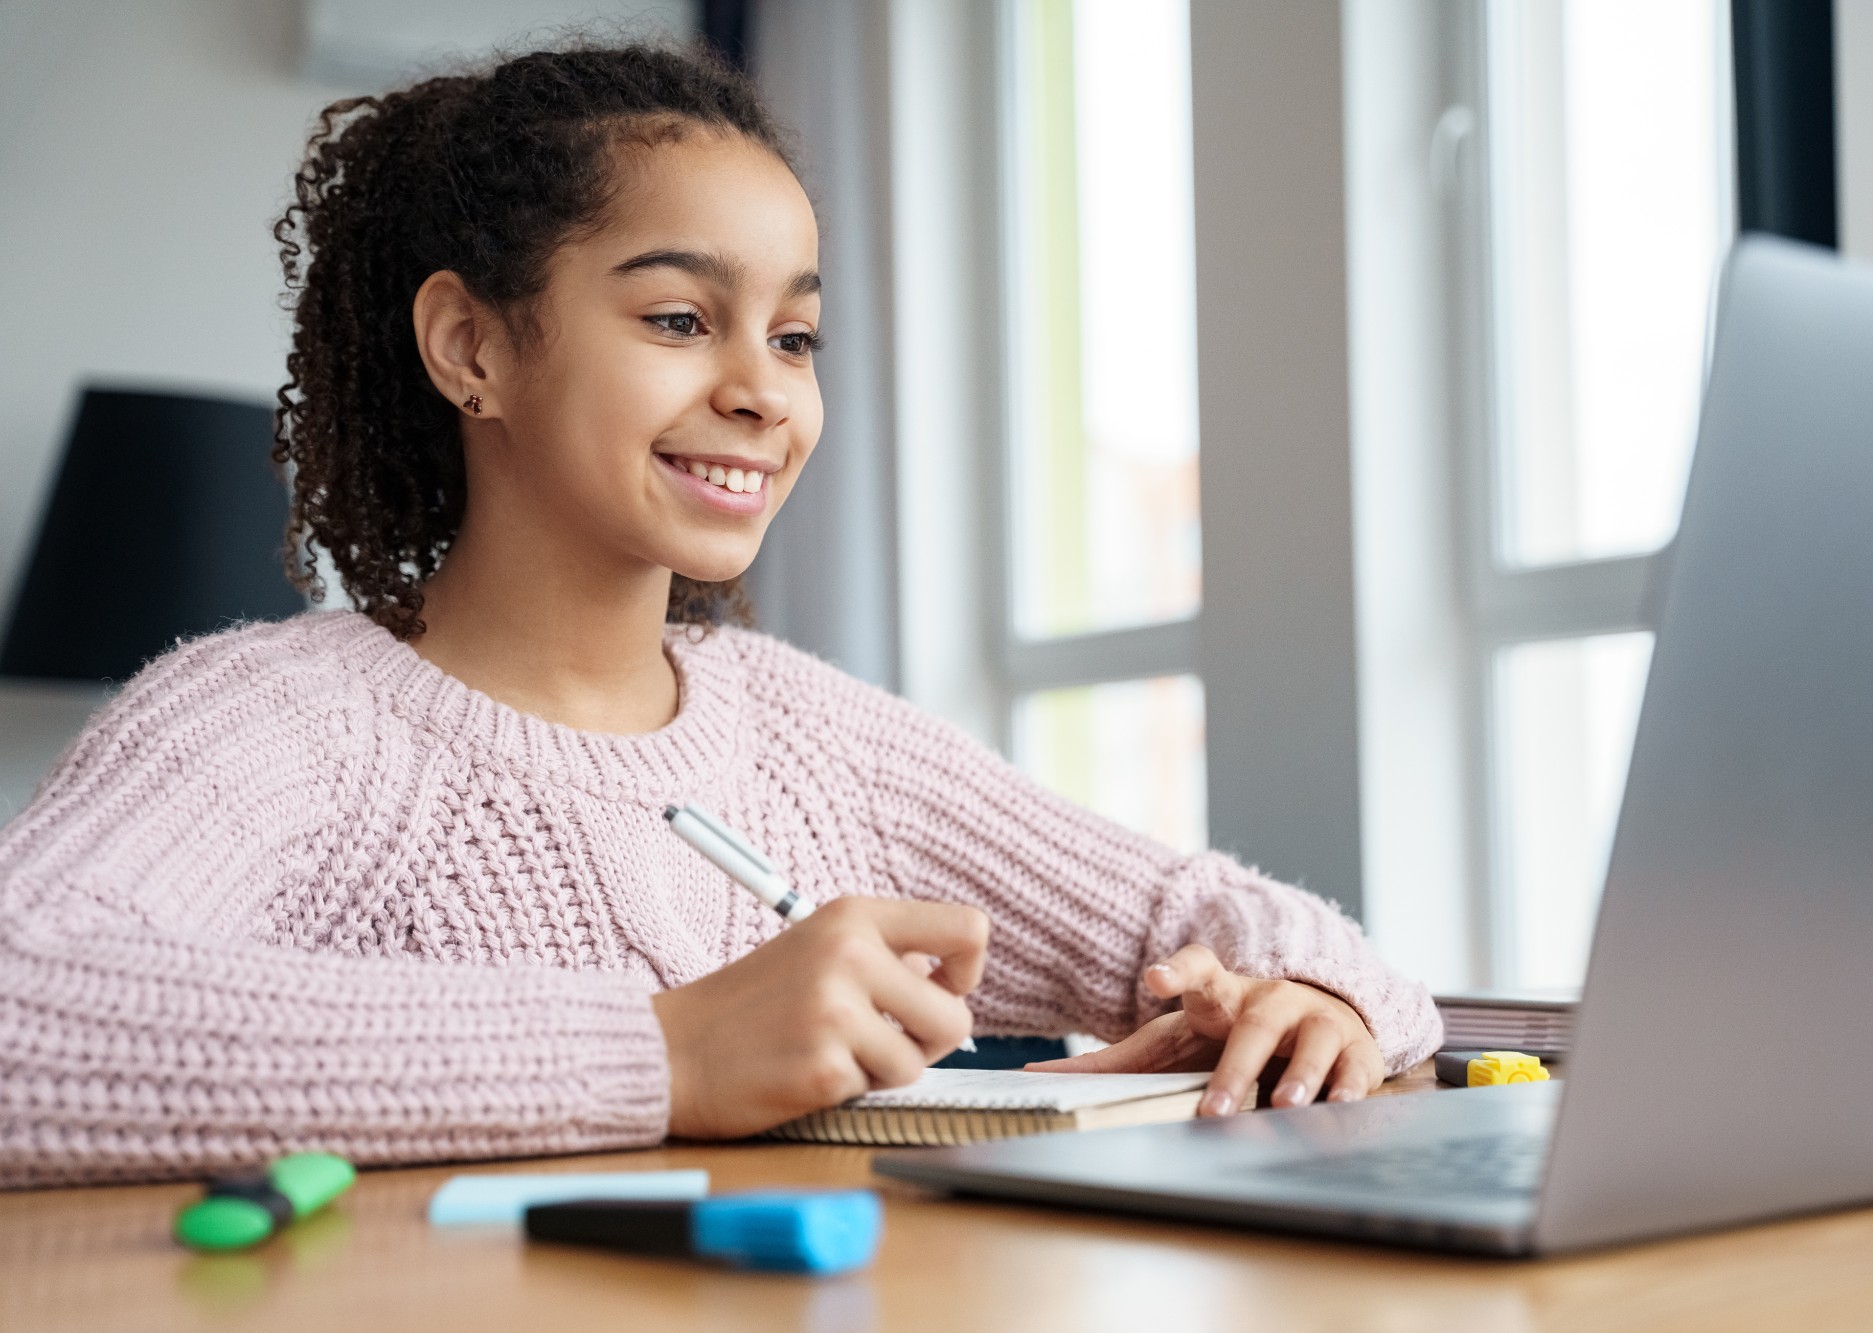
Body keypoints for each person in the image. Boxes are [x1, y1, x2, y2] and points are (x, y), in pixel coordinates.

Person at [0, 43, 1439, 1187]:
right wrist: (663, 1053)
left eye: (796, 335)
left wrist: (1312, 1001)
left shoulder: (810, 734)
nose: (764, 387)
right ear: (471, 345)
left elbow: (1229, 922)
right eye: (682, 319)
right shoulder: (278, 725)